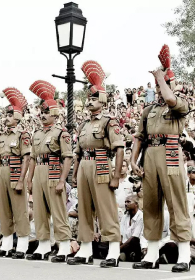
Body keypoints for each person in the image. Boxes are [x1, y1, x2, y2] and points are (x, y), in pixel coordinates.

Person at [131, 45, 191, 272]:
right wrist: (132, 160)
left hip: (171, 154)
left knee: (177, 204)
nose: (158, 88)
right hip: (151, 154)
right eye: (157, 84)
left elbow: (170, 99)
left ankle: (184, 256)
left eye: (163, 83)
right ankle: (152, 254)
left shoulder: (180, 103)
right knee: (151, 206)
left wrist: (162, 76)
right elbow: (140, 136)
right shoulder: (149, 110)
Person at [69, 60, 124, 268]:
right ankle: (85, 249)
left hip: (101, 162)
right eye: (88, 98)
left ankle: (114, 250)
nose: (90, 101)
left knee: (105, 208)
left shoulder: (109, 122)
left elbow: (119, 148)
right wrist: (74, 174)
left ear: (103, 100)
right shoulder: (83, 124)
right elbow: (78, 152)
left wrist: (117, 175)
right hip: (84, 164)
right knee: (84, 208)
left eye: (94, 98)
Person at [26, 80, 72, 263]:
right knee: (39, 210)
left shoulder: (62, 133)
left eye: (46, 112)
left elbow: (67, 157)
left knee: (58, 209)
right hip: (39, 171)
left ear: (55, 114)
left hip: (54, 169)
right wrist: (29, 180)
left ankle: (65, 245)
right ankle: (43, 244)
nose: (43, 115)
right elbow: (32, 158)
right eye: (41, 112)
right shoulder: (36, 134)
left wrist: (62, 180)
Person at [0, 88, 30, 259]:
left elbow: (26, 158)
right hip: (3, 173)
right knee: (5, 211)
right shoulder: (1, 137)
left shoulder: (23, 135)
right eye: (5, 114)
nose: (6, 117)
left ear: (18, 116)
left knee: (19, 210)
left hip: (16, 172)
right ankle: (6, 245)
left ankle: (22, 245)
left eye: (9, 114)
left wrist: (22, 180)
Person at [119, 195, 144, 262]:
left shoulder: (141, 217)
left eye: (128, 202)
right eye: (125, 202)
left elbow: (134, 237)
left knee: (134, 240)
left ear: (136, 204)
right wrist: (118, 245)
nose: (126, 204)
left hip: (135, 244)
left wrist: (119, 248)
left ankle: (126, 255)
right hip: (125, 244)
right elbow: (121, 234)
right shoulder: (125, 217)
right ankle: (124, 254)